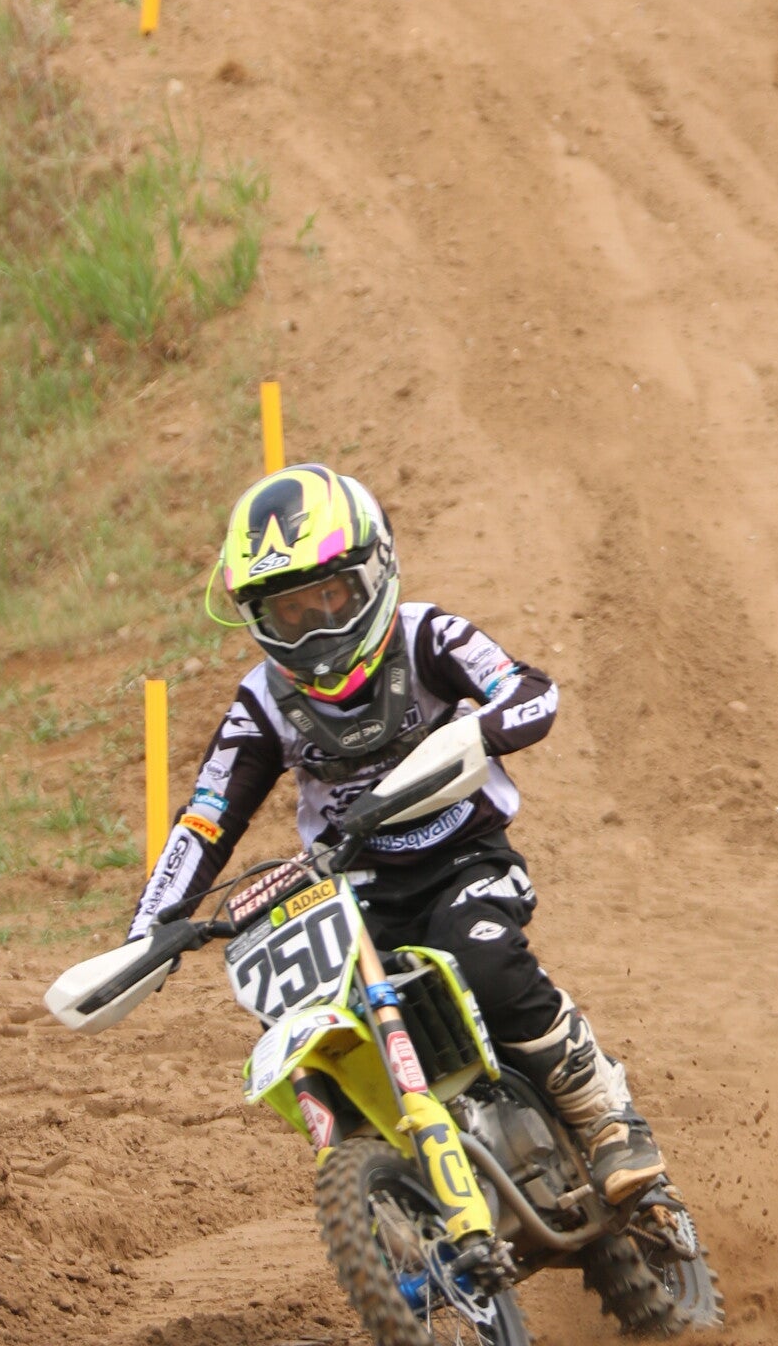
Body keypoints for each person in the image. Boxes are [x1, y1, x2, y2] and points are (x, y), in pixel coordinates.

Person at [130, 463, 671, 1212]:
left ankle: (604, 1114)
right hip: (354, 889)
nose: (315, 627)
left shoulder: (426, 635)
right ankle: (387, 1168)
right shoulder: (261, 703)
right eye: (289, 612)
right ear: (258, 618)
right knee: (305, 1010)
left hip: (464, 858)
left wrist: (472, 734)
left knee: (483, 958)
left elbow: (530, 691)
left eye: (329, 597)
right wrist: (147, 931)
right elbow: (207, 815)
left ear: (373, 572)